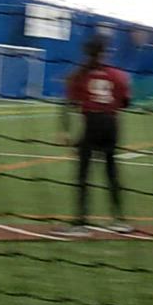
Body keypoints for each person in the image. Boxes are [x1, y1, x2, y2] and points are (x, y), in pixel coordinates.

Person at [59, 36, 133, 235]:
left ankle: (81, 222)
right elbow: (126, 103)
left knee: (83, 174)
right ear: (105, 52)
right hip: (111, 125)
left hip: (92, 123)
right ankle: (119, 221)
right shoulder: (118, 75)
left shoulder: (79, 75)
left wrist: (64, 130)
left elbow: (67, 105)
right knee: (111, 173)